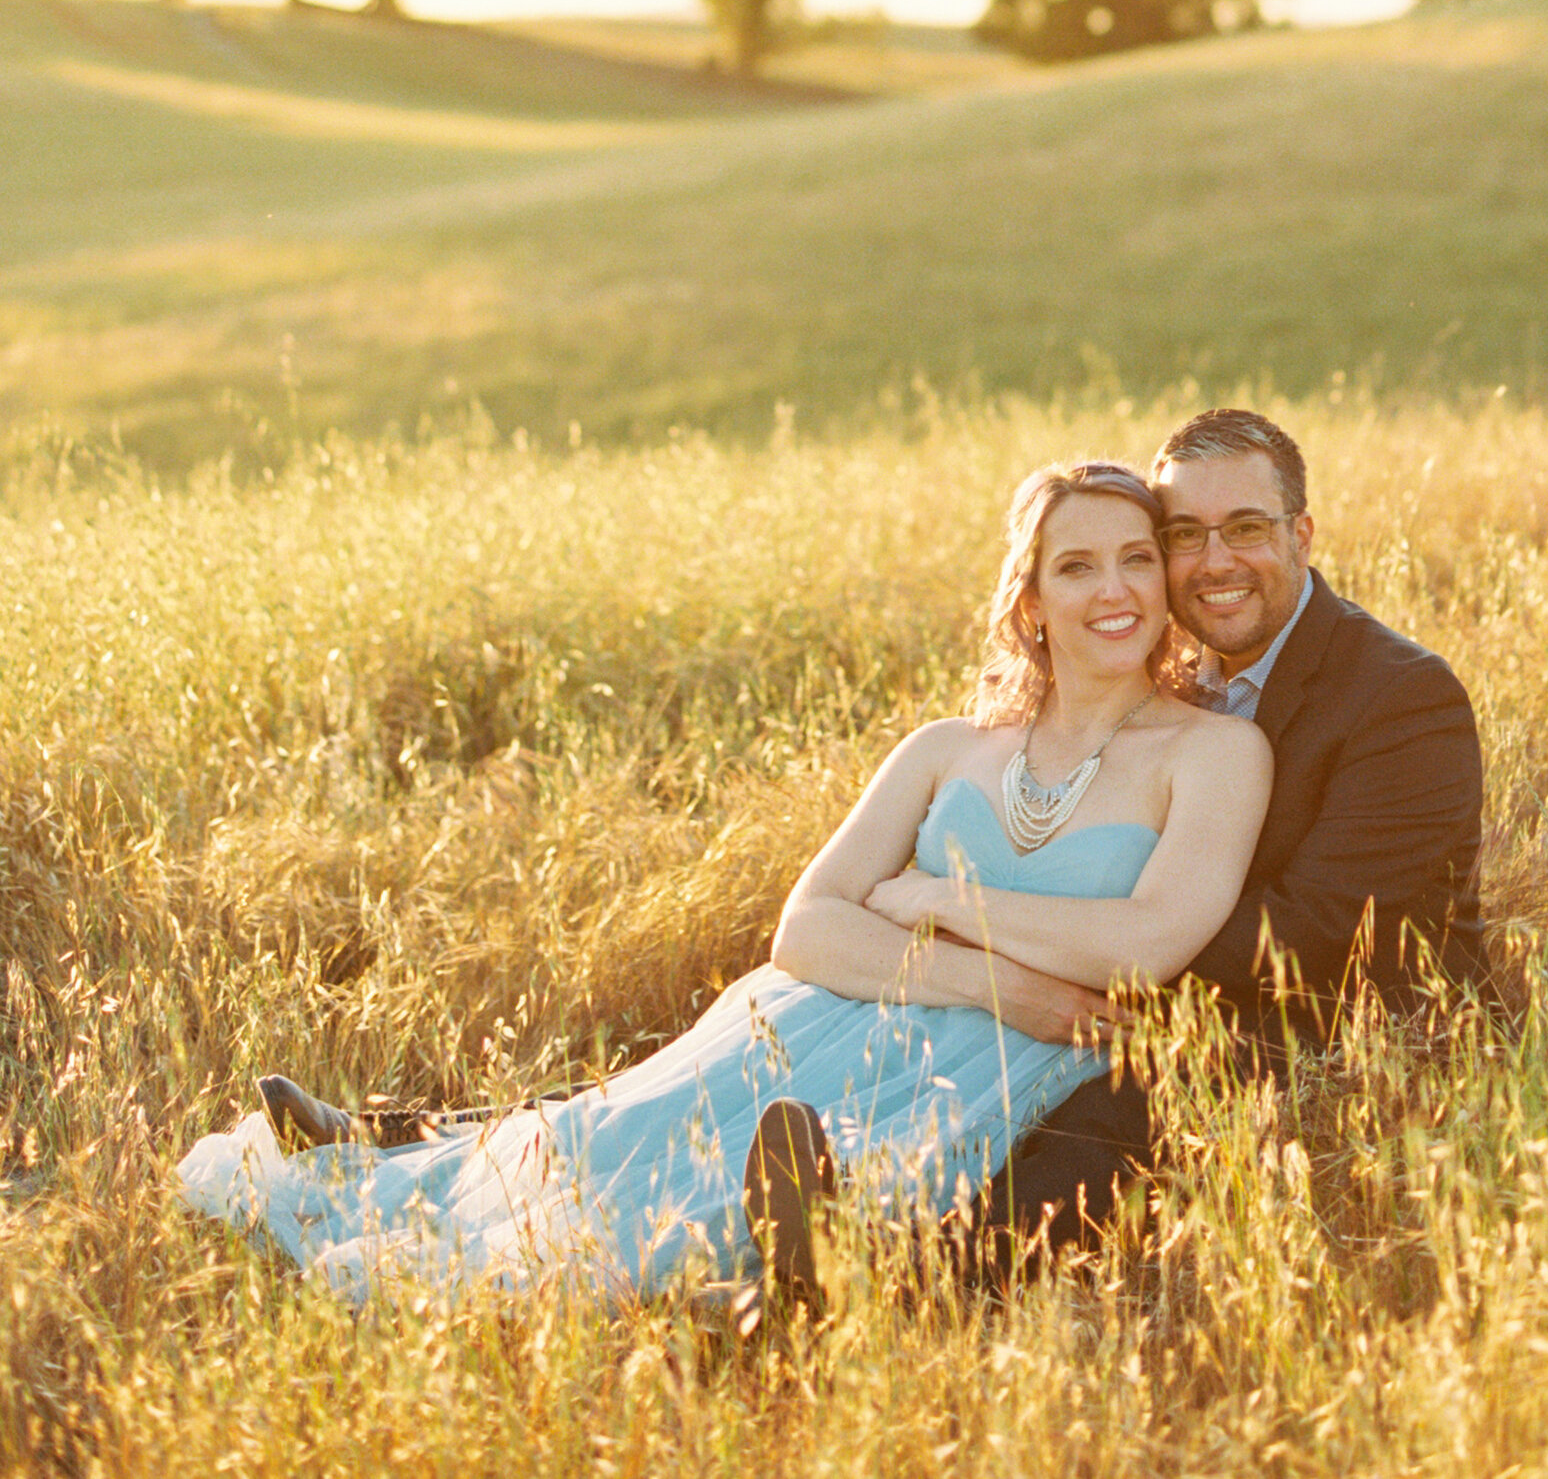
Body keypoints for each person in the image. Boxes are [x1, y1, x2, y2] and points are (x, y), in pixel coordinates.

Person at [174, 458, 1269, 1308]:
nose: (1113, 589)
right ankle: (382, 1153)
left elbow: (1145, 945)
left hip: (994, 1069)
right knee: (603, 1144)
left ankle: (777, 1290)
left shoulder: (1211, 753)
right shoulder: (947, 747)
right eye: (1076, 565)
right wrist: (1008, 983)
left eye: (1136, 558)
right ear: (1029, 596)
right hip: (822, 1017)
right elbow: (805, 929)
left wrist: (937, 898)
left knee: (803, 1193)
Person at [966, 403, 1495, 1265]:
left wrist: (1069, 944)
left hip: (1330, 1028)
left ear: (1302, 534)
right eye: (1184, 536)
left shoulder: (1401, 696)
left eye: (1245, 529)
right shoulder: (1156, 672)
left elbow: (1324, 935)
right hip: (1148, 986)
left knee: (1111, 1111)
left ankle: (904, 1279)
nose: (1216, 564)